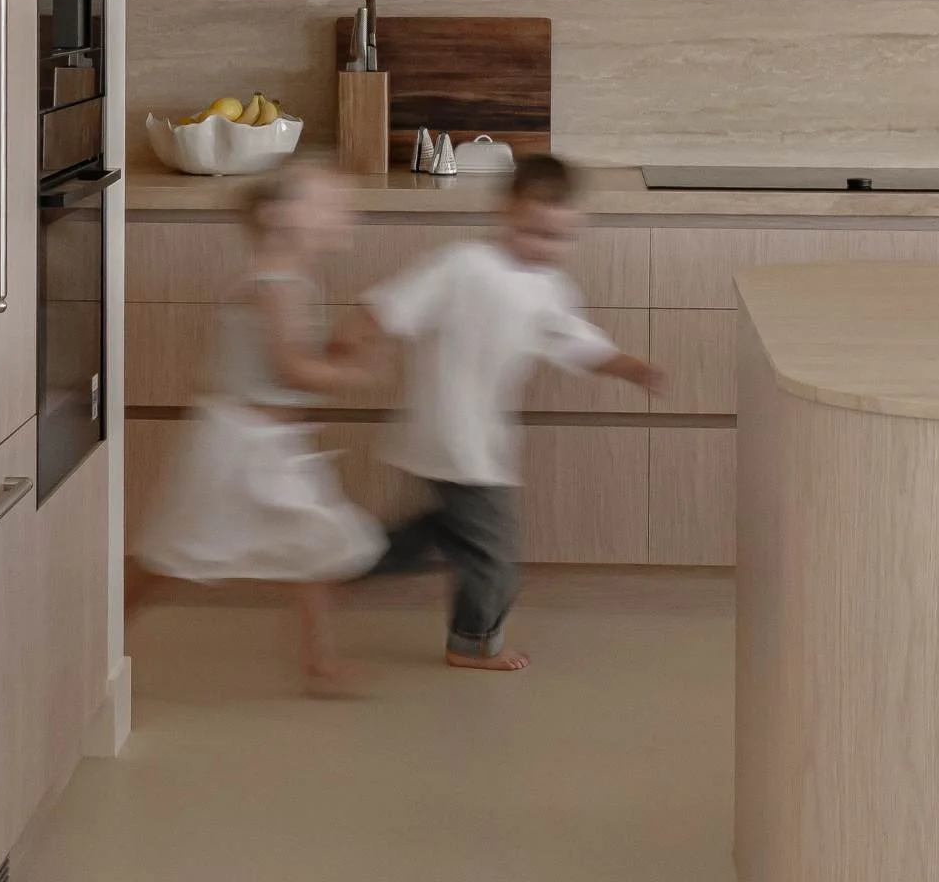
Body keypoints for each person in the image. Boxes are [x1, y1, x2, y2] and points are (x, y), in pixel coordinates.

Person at [362, 154, 662, 671]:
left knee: (448, 532)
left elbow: (578, 344)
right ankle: (471, 643)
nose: (544, 247)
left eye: (558, 237)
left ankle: (347, 559)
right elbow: (395, 305)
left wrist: (628, 366)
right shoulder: (463, 264)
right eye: (534, 231)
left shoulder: (549, 289)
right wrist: (361, 334)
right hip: (456, 436)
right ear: (505, 212)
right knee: (495, 556)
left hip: (474, 439)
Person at [128, 160, 383, 694]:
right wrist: (350, 371)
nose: (344, 215)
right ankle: (100, 633)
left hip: (271, 443)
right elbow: (291, 368)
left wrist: (335, 352)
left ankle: (320, 664)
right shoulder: (273, 286)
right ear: (278, 217)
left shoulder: (289, 281)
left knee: (314, 543)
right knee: (175, 555)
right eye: (327, 204)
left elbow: (293, 365)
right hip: (233, 443)